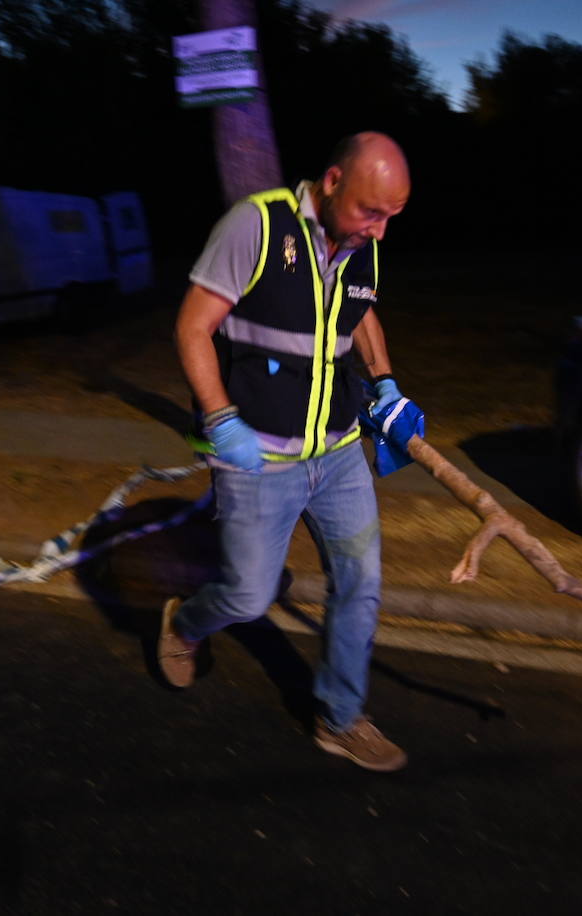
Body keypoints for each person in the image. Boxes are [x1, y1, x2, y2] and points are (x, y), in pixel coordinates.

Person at [160, 132, 418, 772]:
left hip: (338, 455)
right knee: (247, 599)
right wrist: (221, 422)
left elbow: (361, 314)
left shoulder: (365, 245)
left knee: (361, 582)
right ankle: (185, 625)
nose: (380, 231)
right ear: (332, 182)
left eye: (392, 216)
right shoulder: (256, 224)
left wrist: (384, 386)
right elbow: (193, 326)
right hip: (260, 460)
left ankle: (341, 718)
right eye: (370, 212)